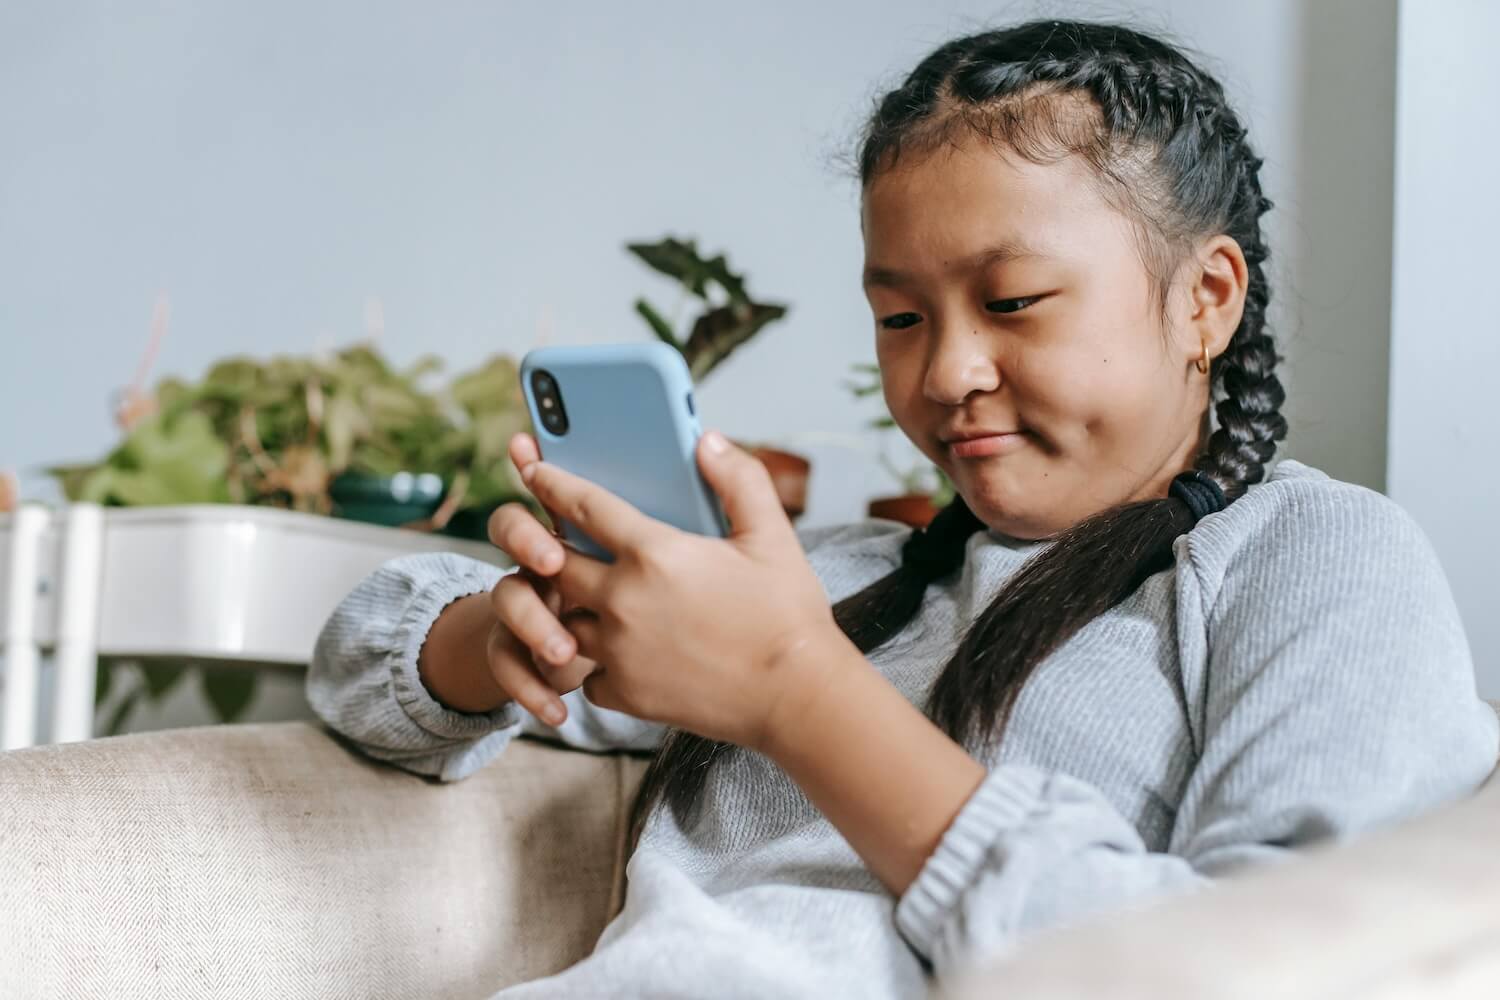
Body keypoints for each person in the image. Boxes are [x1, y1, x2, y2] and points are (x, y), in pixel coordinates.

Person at [307, 19, 1499, 999]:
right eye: (901, 317)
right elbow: (362, 657)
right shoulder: (838, 579)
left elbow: (1296, 963)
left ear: (1207, 300)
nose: (944, 376)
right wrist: (500, 637)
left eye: (1017, 300)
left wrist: (794, 694)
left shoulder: (1309, 557)